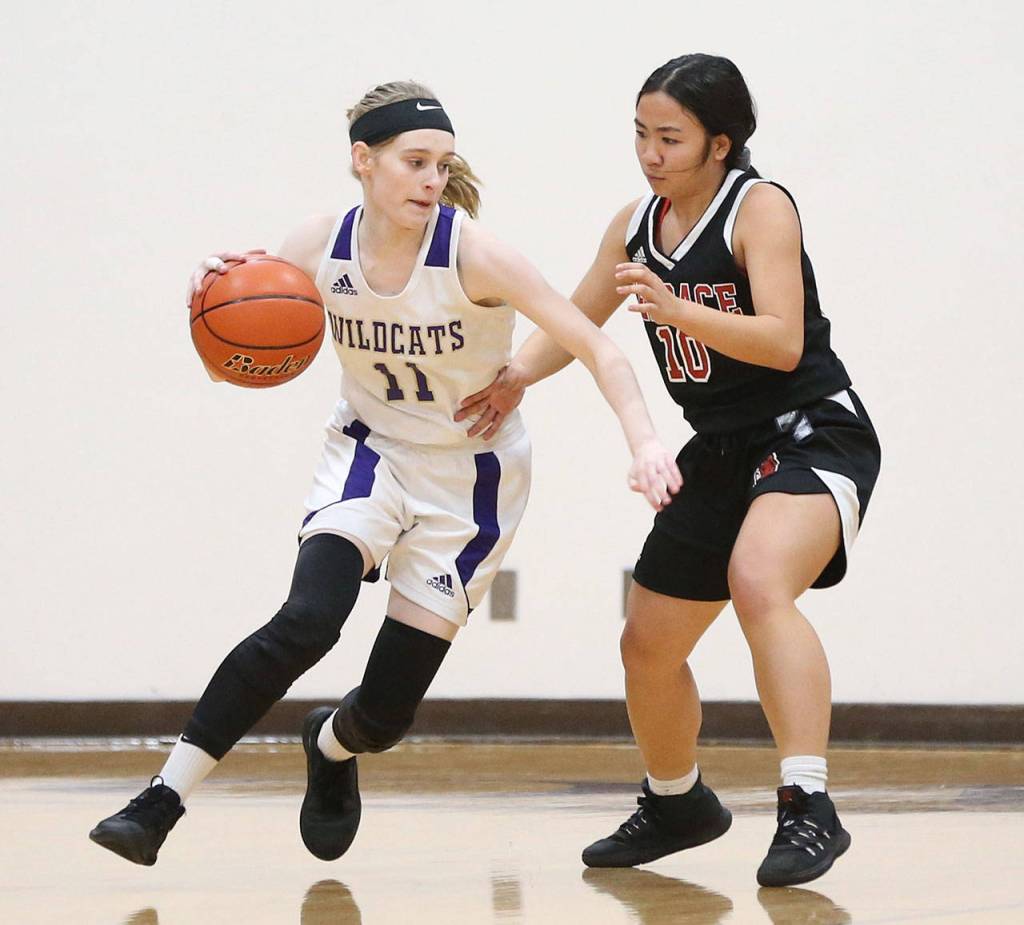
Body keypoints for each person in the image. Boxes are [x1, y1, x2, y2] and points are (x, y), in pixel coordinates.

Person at [88, 80, 682, 867]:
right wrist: (208, 294)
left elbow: (599, 346)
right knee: (306, 620)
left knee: (387, 713)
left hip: (471, 481)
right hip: (368, 453)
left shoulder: (475, 252)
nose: (433, 179)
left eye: (443, 163)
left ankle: (332, 746)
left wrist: (644, 443)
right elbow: (232, 358)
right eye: (414, 161)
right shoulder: (317, 243)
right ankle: (158, 802)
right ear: (363, 162)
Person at [457, 54, 881, 887]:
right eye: (642, 135)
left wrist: (677, 306)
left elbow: (783, 339)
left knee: (760, 581)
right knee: (646, 643)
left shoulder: (759, 208)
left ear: (719, 143)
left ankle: (808, 803)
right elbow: (575, 321)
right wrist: (513, 380)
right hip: (719, 445)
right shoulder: (635, 225)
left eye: (671, 138)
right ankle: (677, 799)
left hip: (809, 430)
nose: (651, 153)